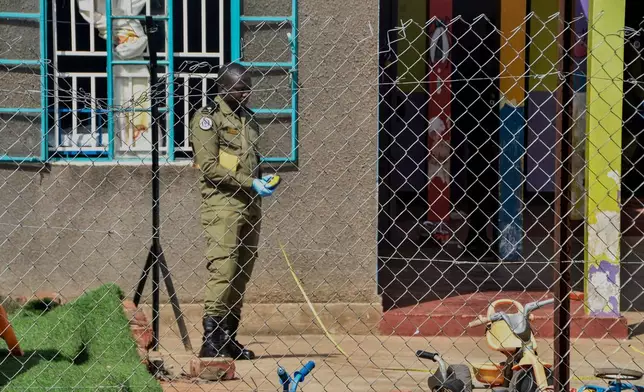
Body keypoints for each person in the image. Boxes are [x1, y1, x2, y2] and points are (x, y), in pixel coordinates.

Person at [189, 62, 278, 360]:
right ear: (224, 88)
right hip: (223, 206)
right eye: (241, 89)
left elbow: (250, 159)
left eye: (248, 88)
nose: (247, 94)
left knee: (241, 273)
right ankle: (210, 340)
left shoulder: (248, 119)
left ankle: (228, 338)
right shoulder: (206, 120)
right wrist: (249, 182)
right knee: (223, 271)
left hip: (251, 206)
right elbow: (210, 168)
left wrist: (261, 178)